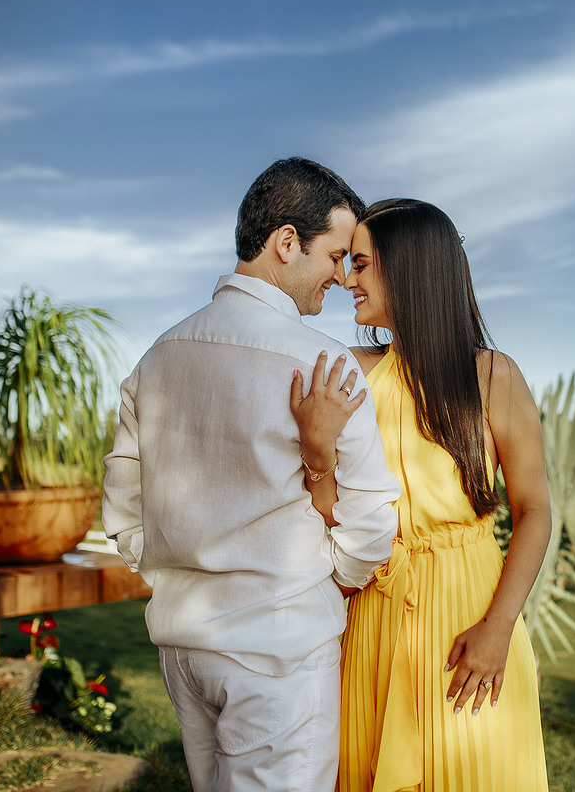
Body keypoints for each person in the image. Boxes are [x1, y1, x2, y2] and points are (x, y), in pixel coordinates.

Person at [102, 157, 401, 791]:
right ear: (286, 242)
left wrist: (171, 572)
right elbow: (371, 521)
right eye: (336, 255)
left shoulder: (157, 356)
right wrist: (328, 583)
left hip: (183, 653)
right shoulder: (321, 361)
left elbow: (125, 511)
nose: (341, 277)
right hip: (279, 652)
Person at [294, 198, 552, 791]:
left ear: (408, 269)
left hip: (472, 617)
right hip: (371, 612)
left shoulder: (492, 376)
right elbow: (326, 518)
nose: (345, 279)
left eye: (360, 265)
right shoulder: (345, 372)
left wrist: (499, 627)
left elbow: (535, 510)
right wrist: (316, 453)